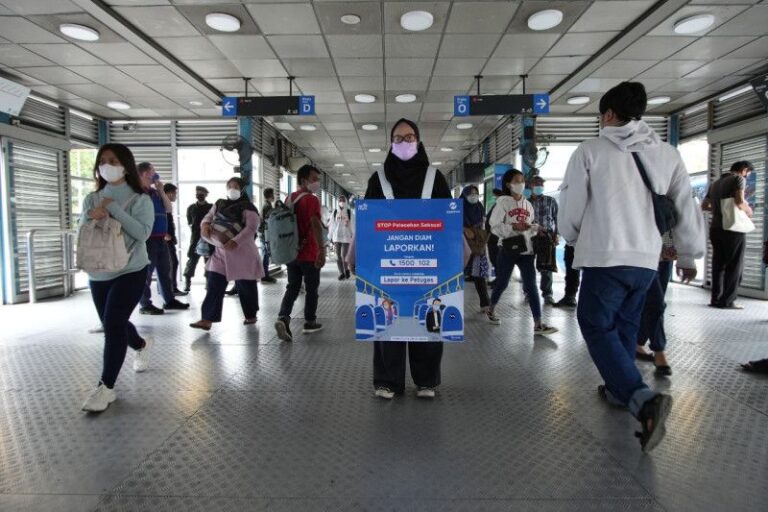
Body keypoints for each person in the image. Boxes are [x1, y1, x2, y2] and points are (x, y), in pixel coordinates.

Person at [558, 81, 705, 452]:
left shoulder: (591, 150)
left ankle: (641, 398)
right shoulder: (667, 154)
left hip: (605, 256)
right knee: (624, 325)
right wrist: (688, 255)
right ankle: (618, 393)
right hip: (645, 262)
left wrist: (571, 236)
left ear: (608, 114)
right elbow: (685, 205)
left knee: (593, 322)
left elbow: (572, 206)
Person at [350, 118, 453, 400]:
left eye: (409, 137)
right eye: (398, 138)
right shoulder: (378, 179)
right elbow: (367, 223)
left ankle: (426, 380)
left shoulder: (435, 178)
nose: (404, 143)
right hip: (386, 264)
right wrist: (360, 258)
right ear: (390, 143)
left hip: (428, 263)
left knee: (428, 318)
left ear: (419, 142)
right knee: (388, 319)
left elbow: (449, 222)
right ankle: (388, 381)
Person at [80, 143, 154, 412]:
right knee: (114, 323)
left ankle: (105, 388)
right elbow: (82, 230)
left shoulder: (140, 199)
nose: (107, 165)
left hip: (131, 269)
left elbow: (142, 233)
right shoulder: (91, 198)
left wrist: (115, 211)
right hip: (99, 271)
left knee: (113, 323)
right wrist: (93, 217)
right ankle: (141, 344)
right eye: (103, 161)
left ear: (125, 165)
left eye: (113, 160)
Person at [488, 169, 558, 335]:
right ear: (508, 184)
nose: (521, 184)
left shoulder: (528, 204)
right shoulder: (503, 203)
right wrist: (513, 227)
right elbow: (494, 227)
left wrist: (536, 229)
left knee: (531, 286)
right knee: (503, 283)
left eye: (522, 180)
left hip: (526, 250)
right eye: (517, 181)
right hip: (508, 249)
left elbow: (529, 226)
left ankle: (538, 323)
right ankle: (491, 308)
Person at [190, 177, 263, 330]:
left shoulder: (248, 207)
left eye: (235, 186)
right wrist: (204, 226)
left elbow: (251, 228)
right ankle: (207, 319)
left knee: (245, 286)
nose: (232, 189)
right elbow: (208, 218)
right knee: (214, 284)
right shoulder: (219, 203)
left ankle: (251, 315)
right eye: (229, 186)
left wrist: (235, 241)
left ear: (242, 189)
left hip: (242, 253)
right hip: (220, 253)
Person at [274, 164, 326, 342]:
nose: (317, 182)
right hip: (309, 252)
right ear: (303, 180)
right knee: (312, 289)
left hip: (291, 252)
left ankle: (283, 317)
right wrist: (322, 249)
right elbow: (315, 224)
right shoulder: (311, 200)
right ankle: (310, 322)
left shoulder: (290, 198)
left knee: (292, 286)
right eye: (314, 179)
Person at [136, 162, 188, 314]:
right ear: (145, 173)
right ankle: (145, 304)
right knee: (146, 274)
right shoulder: (137, 192)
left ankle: (169, 300)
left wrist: (160, 190)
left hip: (160, 238)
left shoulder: (154, 192)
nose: (155, 174)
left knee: (165, 271)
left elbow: (168, 208)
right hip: (147, 239)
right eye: (153, 171)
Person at [702, 160, 754, 309]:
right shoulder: (738, 179)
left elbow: (705, 205)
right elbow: (739, 201)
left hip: (716, 229)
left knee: (718, 265)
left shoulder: (715, 183)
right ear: (744, 170)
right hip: (733, 229)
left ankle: (715, 299)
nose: (747, 177)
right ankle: (728, 301)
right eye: (748, 174)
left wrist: (719, 209)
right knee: (734, 265)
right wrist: (748, 210)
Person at [635, 232, 676, 376]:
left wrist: (688, 257)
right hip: (640, 248)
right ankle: (659, 352)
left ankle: (637, 342)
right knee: (656, 303)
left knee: (653, 303)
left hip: (666, 247)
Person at [528, 176, 559, 305]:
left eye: (541, 184)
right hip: (529, 237)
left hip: (547, 237)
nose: (539, 186)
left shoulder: (551, 201)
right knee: (528, 265)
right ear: (531, 186)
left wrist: (557, 235)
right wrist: (535, 229)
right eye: (537, 183)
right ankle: (528, 292)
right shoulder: (525, 202)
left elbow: (557, 219)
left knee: (547, 266)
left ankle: (547, 294)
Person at [461, 185, 491, 315]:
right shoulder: (457, 206)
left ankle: (485, 303)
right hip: (461, 244)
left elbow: (483, 223)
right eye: (470, 193)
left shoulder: (479, 207)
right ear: (465, 194)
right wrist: (464, 229)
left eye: (476, 193)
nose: (473, 196)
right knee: (457, 274)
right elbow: (450, 221)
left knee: (479, 275)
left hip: (477, 244)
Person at [182, 186, 212, 292]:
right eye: (198, 193)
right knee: (192, 261)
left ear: (206, 195)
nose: (200, 194)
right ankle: (187, 283)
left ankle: (209, 282)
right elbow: (190, 222)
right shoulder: (191, 208)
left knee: (209, 261)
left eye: (202, 193)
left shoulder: (211, 207)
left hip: (209, 238)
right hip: (195, 238)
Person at [162, 183, 186, 296]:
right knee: (172, 263)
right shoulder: (161, 204)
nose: (175, 196)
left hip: (169, 239)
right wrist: (164, 234)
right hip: (165, 240)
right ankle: (171, 289)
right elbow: (159, 221)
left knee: (172, 263)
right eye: (174, 193)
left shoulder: (166, 205)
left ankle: (171, 288)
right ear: (169, 193)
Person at [330, 195, 353, 280]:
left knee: (344, 255)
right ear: (337, 201)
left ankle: (346, 269)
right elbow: (332, 225)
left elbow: (353, 224)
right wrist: (330, 236)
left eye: (343, 200)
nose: (341, 201)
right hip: (336, 236)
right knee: (337, 256)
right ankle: (341, 272)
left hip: (346, 236)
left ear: (346, 201)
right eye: (340, 200)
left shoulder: (349, 212)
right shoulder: (335, 212)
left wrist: (353, 234)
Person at [259, 187, 277, 284]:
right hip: (264, 234)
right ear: (270, 195)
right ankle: (264, 275)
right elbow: (269, 221)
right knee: (265, 254)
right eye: (273, 194)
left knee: (265, 254)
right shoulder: (267, 206)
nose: (274, 196)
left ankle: (264, 274)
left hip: (264, 233)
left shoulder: (266, 205)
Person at [554, 243, 579, 308]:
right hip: (572, 245)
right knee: (571, 273)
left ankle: (570, 297)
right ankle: (570, 296)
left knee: (572, 272)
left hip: (576, 245)